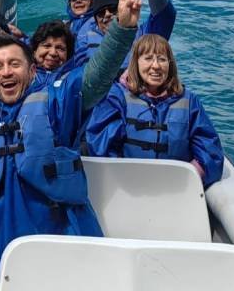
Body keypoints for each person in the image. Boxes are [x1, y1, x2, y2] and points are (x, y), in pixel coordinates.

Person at [0, 0, 144, 291]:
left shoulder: (57, 102)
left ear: (31, 70)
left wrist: (121, 29)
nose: (6, 71)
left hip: (53, 232)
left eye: (14, 64)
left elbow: (95, 79)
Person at [86, 34, 224, 187]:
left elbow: (210, 152)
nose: (156, 66)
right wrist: (125, 178)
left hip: (175, 188)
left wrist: (187, 177)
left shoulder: (189, 101)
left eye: (162, 59)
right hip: (128, 186)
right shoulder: (117, 98)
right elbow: (101, 146)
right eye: (148, 58)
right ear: (135, 62)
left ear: (170, 65)